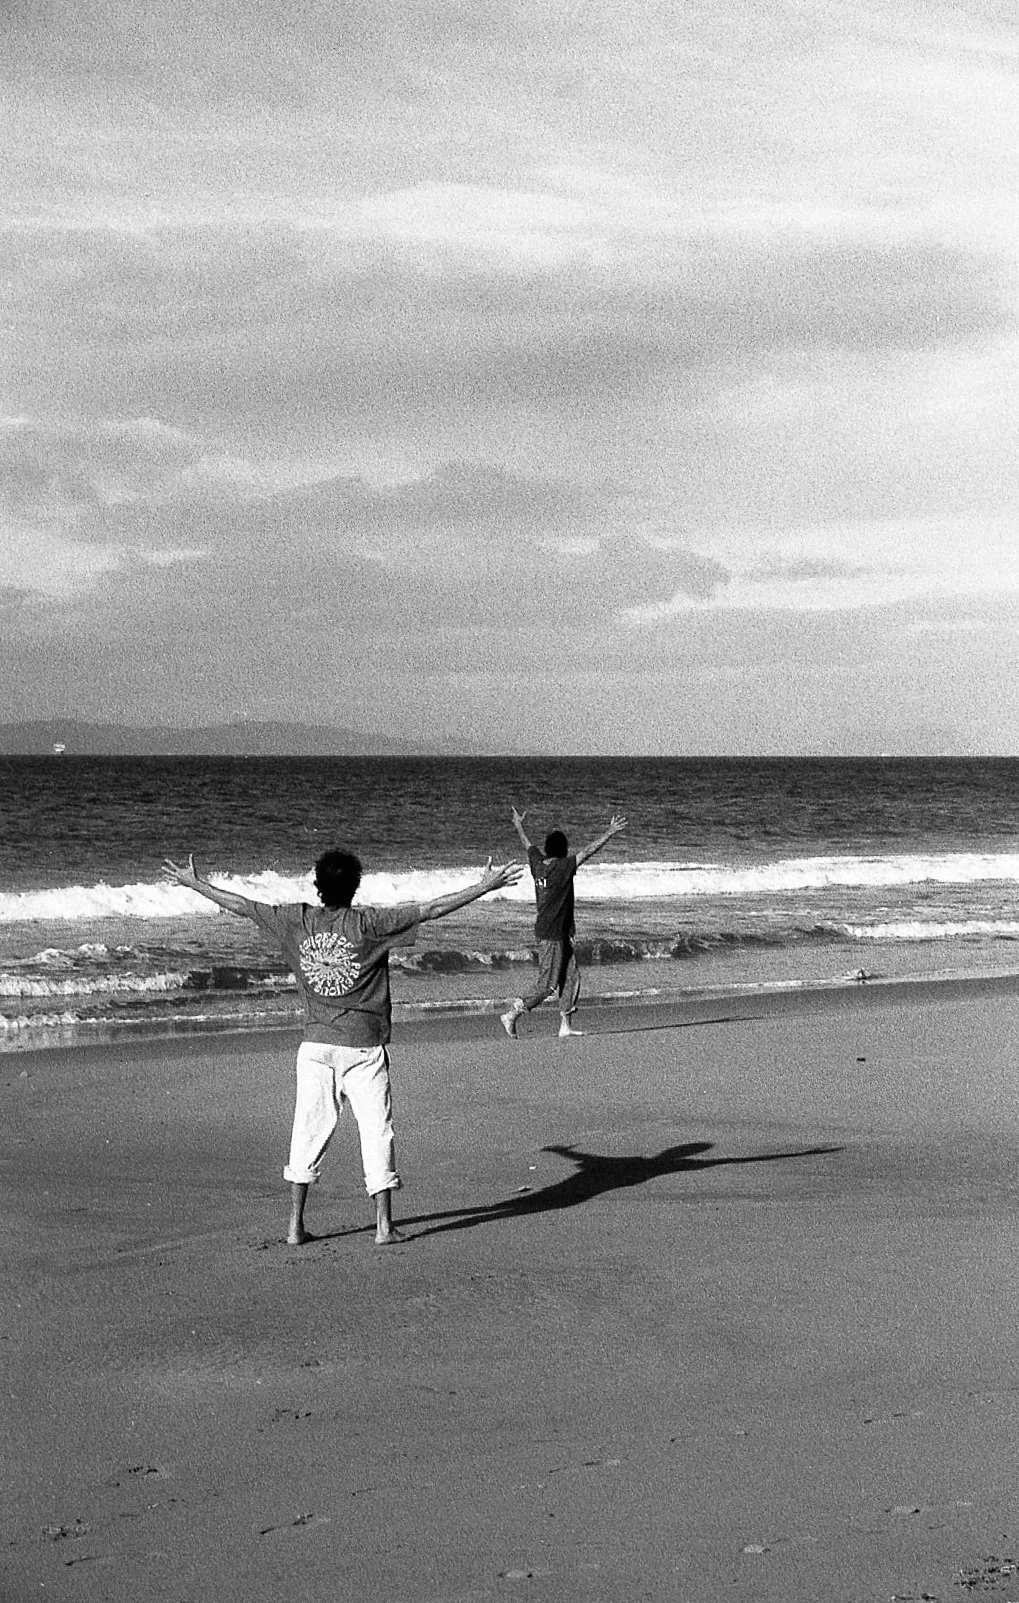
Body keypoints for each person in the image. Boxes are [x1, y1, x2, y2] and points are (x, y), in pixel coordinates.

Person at [163, 848, 521, 1248]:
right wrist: (484, 886)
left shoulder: (294, 920)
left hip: (315, 1045)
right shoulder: (370, 923)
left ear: (317, 887)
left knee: (306, 1135)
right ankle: (384, 1227)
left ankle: (295, 1226)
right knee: (377, 1134)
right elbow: (432, 909)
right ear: (356, 886)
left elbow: (244, 906)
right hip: (365, 1048)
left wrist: (196, 884)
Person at [500, 808, 627, 1040]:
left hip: (559, 932)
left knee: (570, 976)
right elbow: (587, 852)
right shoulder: (563, 867)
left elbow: (527, 844)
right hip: (551, 934)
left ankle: (565, 1025)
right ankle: (513, 1014)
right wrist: (609, 833)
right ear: (564, 850)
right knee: (548, 984)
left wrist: (518, 825)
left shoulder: (537, 863)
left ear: (547, 848)